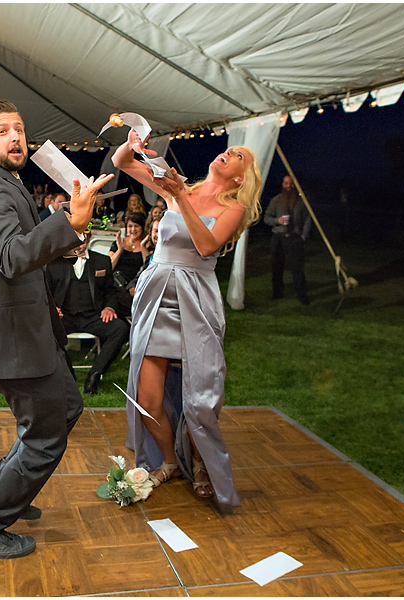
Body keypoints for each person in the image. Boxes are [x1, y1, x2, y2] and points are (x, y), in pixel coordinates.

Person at [0, 99, 112, 559]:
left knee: (64, 408)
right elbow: (11, 255)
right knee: (44, 438)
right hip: (12, 336)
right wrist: (68, 222)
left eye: (19, 128)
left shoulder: (7, 182)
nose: (16, 136)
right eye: (3, 130)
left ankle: (12, 493)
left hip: (32, 330)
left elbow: (23, 249)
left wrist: (69, 230)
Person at [113, 127, 261, 507]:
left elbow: (207, 244)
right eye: (229, 151)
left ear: (240, 178)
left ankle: (199, 463)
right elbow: (122, 163)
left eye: (238, 156)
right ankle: (168, 460)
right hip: (156, 295)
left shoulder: (234, 208)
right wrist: (134, 145)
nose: (228, 154)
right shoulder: (180, 187)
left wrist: (180, 196)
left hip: (194, 301)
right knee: (147, 396)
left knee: (198, 400)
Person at [46, 231, 129, 395]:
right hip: (65, 316)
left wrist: (109, 308)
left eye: (84, 240)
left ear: (89, 240)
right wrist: (52, 308)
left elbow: (110, 291)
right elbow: (45, 291)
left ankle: (95, 374)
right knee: (45, 330)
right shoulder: (55, 262)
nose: (80, 244)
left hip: (93, 316)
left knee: (121, 328)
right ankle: (68, 373)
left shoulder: (101, 261)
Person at [264, 175, 312, 305]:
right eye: (286, 183)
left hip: (294, 239)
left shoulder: (301, 202)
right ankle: (277, 292)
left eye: (291, 184)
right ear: (282, 184)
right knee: (277, 267)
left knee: (297, 269)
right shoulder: (276, 200)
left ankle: (302, 295)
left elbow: (308, 219)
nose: (288, 186)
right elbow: (267, 218)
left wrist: (303, 237)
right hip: (278, 238)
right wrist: (277, 221)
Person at [108, 211, 148, 317]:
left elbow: (148, 267)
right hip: (118, 286)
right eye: (130, 226)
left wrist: (143, 247)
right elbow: (108, 266)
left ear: (142, 227)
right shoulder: (119, 243)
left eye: (136, 226)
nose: (133, 230)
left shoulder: (148, 245)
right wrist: (120, 250)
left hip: (137, 287)